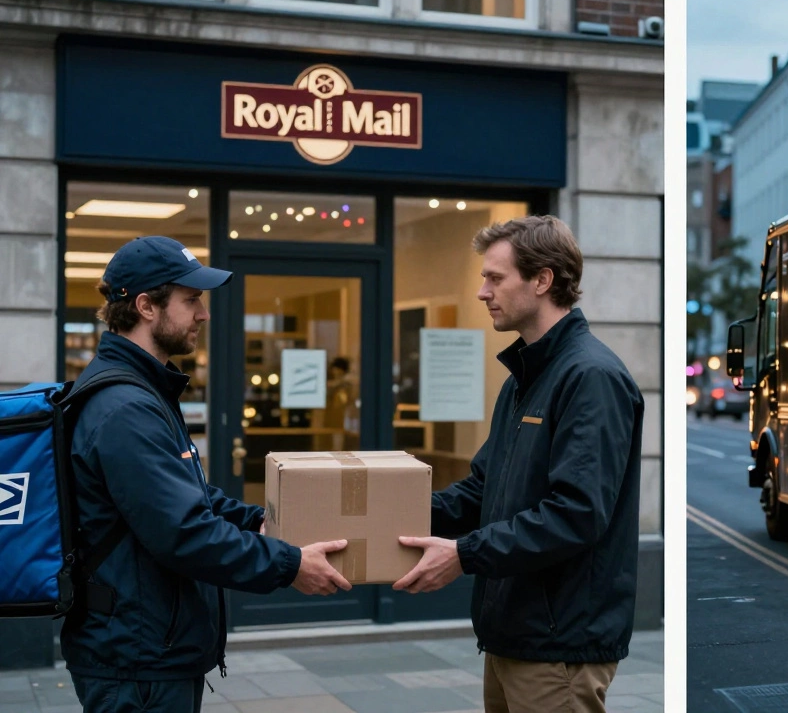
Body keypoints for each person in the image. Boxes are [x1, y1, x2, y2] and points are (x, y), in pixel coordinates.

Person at [63, 236, 352, 713]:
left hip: (148, 648)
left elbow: (191, 497)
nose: (204, 313)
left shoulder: (143, 391)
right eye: (191, 299)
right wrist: (289, 564)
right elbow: (185, 533)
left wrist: (260, 521)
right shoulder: (126, 408)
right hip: (137, 660)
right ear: (145, 306)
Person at [393, 215, 644, 713]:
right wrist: (392, 513)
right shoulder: (524, 378)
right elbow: (482, 490)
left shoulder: (590, 376)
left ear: (542, 279)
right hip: (514, 633)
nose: (482, 292)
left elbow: (576, 514)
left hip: (559, 646)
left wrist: (463, 555)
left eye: (494, 277)